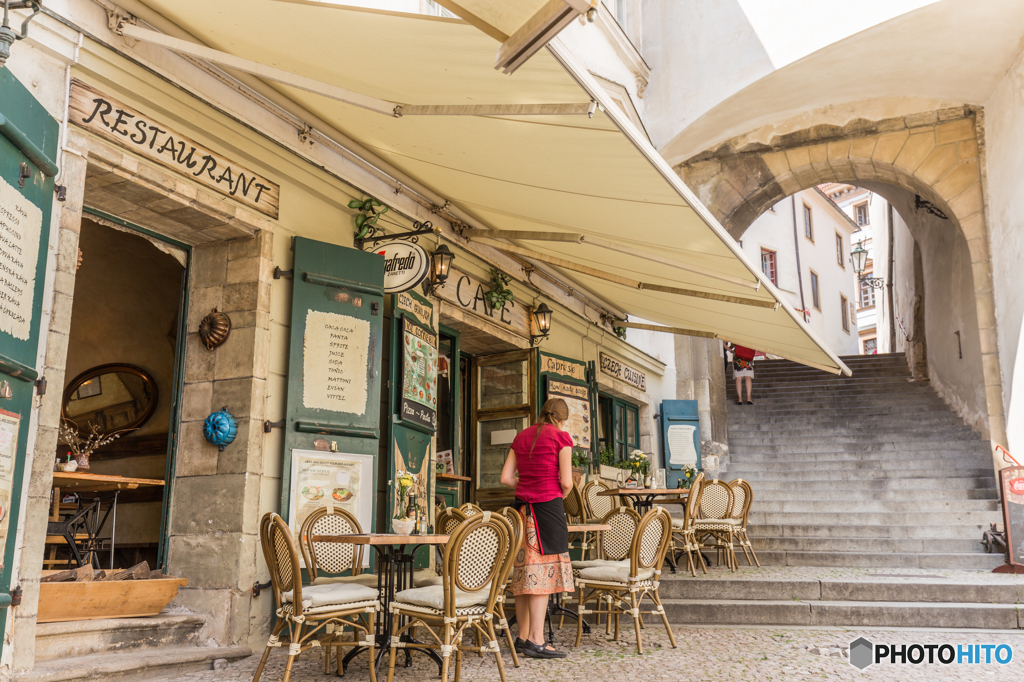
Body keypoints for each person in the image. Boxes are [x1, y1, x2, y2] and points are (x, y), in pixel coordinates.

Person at [499, 398, 574, 659]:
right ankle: (537, 640)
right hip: (547, 511)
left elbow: (506, 478)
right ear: (561, 420)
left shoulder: (521, 436)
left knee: (522, 577)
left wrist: (527, 483)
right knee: (542, 578)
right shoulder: (561, 438)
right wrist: (555, 490)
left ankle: (521, 637)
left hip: (521, 514)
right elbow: (566, 482)